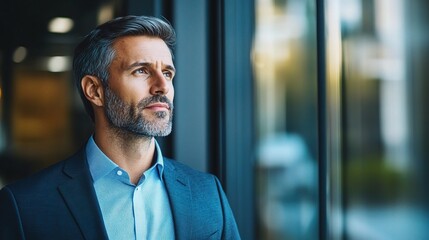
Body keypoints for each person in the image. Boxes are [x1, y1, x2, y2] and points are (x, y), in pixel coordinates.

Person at [0, 15, 240, 240]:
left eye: (167, 73)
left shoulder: (208, 193)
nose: (162, 86)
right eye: (141, 70)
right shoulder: (24, 206)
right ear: (95, 90)